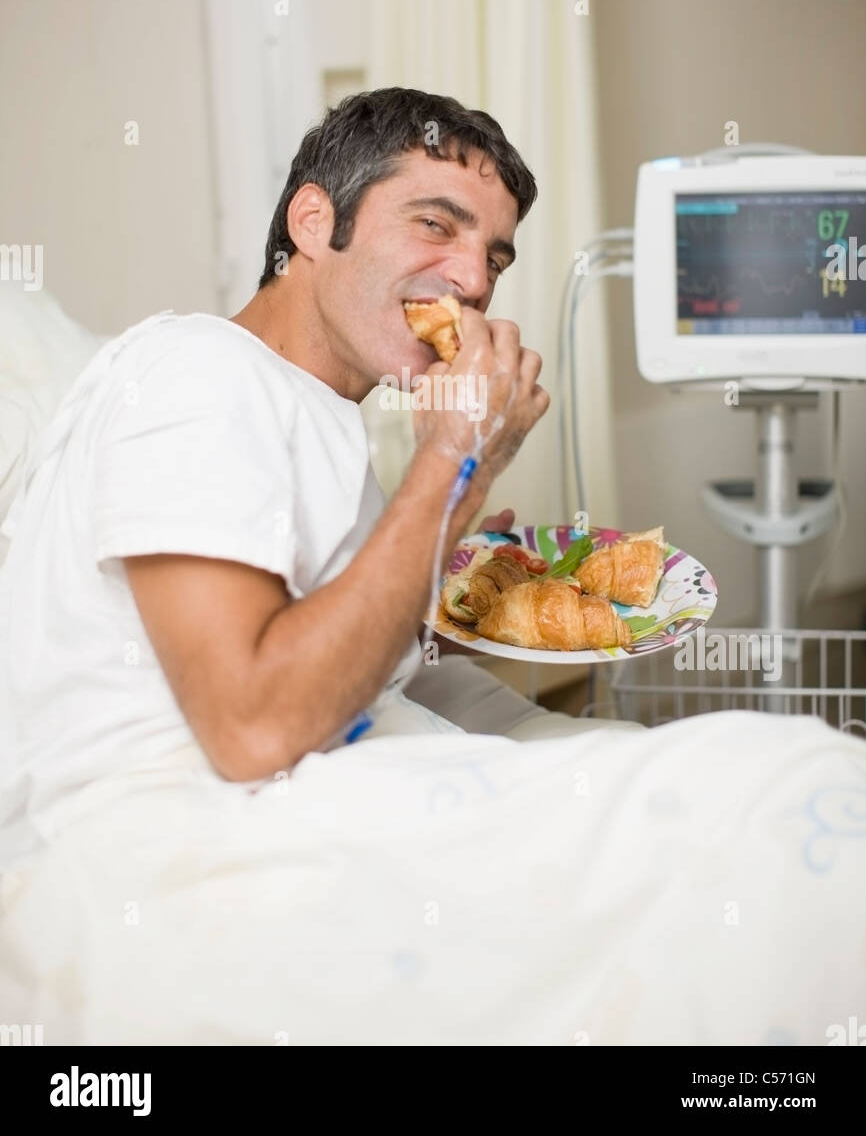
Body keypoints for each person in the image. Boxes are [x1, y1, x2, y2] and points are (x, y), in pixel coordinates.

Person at [0, 87, 591, 874]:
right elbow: (253, 727)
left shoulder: (310, 411)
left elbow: (305, 649)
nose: (474, 280)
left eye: (494, 256)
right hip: (164, 852)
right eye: (436, 224)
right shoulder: (197, 374)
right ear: (312, 222)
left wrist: (446, 569)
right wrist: (456, 465)